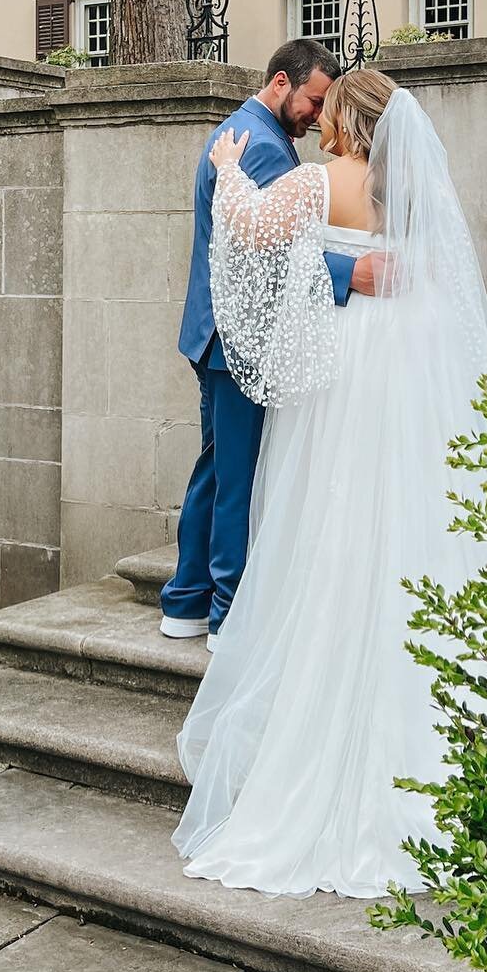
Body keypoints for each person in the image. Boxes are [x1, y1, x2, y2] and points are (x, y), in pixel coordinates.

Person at [172, 69, 487, 898]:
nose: (318, 122)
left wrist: (223, 170)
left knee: (329, 521)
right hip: (414, 366)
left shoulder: (324, 181)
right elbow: (446, 286)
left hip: (351, 369)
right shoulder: (416, 194)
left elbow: (247, 234)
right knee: (411, 520)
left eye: (329, 114)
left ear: (345, 124)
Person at [161, 40, 388, 648]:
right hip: (242, 337)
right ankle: (226, 613)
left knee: (219, 468)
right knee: (240, 474)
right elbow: (269, 249)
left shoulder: (252, 131)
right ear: (282, 81)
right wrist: (352, 273)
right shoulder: (259, 146)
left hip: (223, 333)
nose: (318, 114)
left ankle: (186, 596)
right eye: (314, 100)